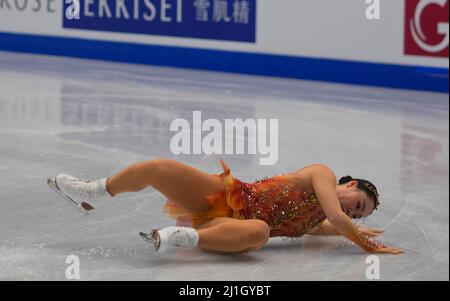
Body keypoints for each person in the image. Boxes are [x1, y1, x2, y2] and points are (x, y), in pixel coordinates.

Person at [47, 158, 403, 255]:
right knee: (157, 168)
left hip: (230, 231)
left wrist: (348, 232)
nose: (353, 214)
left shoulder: (319, 219)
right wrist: (362, 240)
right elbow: (339, 218)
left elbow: (326, 226)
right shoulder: (323, 173)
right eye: (357, 205)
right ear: (349, 185)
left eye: (359, 214)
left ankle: (180, 238)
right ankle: (94, 191)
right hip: (228, 196)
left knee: (261, 231)